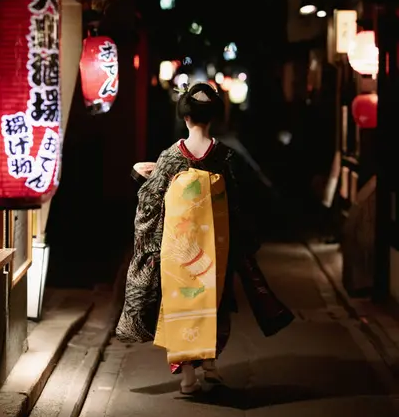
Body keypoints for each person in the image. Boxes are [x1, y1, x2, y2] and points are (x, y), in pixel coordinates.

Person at [116, 82, 293, 395]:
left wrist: (138, 176)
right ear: (212, 117)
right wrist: (244, 240)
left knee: (182, 306)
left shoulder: (170, 157)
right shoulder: (224, 157)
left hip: (178, 249)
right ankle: (210, 365)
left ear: (185, 117)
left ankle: (188, 377)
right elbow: (240, 202)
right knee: (216, 304)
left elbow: (151, 202)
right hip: (217, 248)